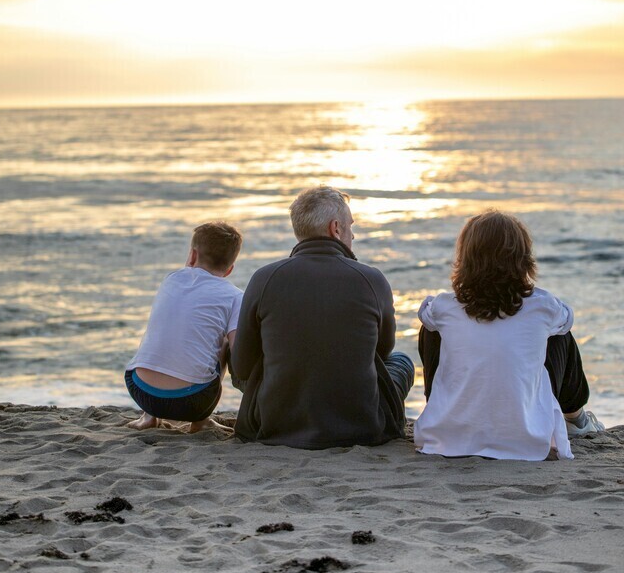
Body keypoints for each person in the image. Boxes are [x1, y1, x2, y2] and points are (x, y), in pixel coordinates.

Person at [231, 186, 414, 449]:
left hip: (276, 423)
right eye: (351, 226)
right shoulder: (372, 279)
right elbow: (383, 351)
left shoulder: (264, 278)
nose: (353, 234)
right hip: (362, 425)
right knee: (401, 360)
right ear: (335, 228)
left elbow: (242, 368)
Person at [414, 210, 604, 461]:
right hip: (526, 440)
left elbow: (427, 315)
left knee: (432, 328)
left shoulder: (443, 307)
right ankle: (575, 418)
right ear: (523, 259)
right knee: (560, 334)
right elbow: (567, 319)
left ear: (466, 257)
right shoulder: (542, 305)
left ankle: (446, 408)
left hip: (447, 439)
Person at [125, 221, 243, 433]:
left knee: (166, 328)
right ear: (230, 269)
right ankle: (201, 421)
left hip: (139, 390)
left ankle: (148, 417)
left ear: (192, 256)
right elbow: (239, 350)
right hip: (192, 401)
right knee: (225, 342)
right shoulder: (235, 296)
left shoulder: (171, 279)